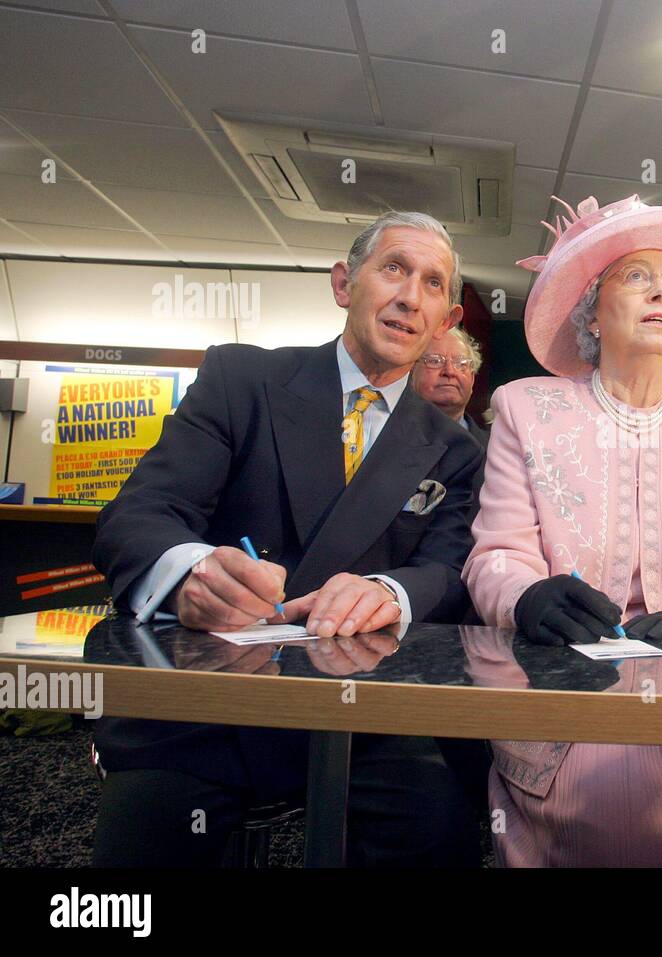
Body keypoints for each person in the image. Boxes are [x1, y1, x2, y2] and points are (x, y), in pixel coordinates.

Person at [90, 211, 486, 867]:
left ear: (445, 318)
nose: (410, 296)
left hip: (363, 711)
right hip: (206, 699)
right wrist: (191, 572)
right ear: (343, 283)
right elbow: (140, 512)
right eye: (393, 268)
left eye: (433, 283)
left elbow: (449, 569)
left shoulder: (454, 450)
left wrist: (389, 590)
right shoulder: (240, 379)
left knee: (438, 827)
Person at [462, 194, 662, 866]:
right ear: (590, 309)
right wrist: (527, 597)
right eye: (638, 276)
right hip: (564, 703)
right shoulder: (527, 408)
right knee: (614, 834)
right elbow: (495, 555)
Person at [412, 325, 491, 448]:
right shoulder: (387, 436)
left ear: (472, 379)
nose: (450, 371)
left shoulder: (496, 449)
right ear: (411, 372)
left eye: (460, 363)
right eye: (435, 361)